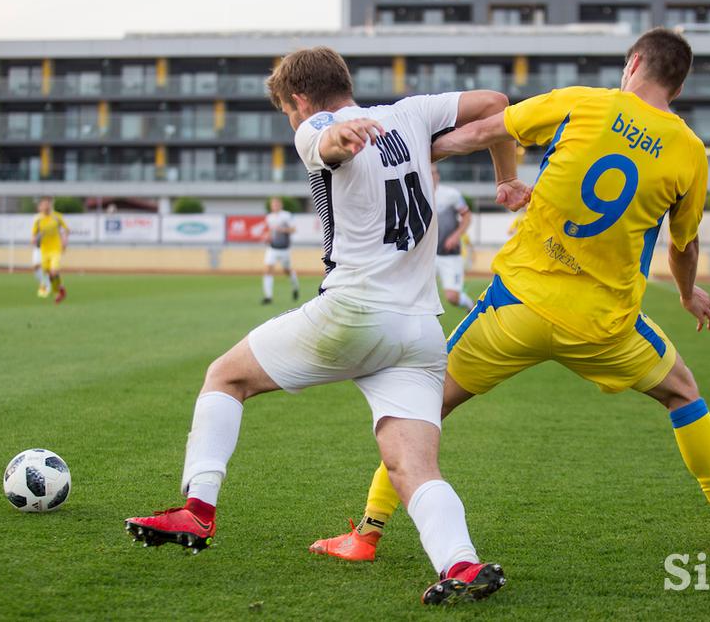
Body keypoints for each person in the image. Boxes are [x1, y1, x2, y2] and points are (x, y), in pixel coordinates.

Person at [309, 28, 710, 564]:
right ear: (675, 88)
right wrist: (686, 293)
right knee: (683, 393)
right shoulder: (690, 152)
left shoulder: (582, 102)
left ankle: (367, 535)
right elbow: (685, 244)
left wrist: (407, 159)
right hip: (603, 325)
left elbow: (482, 131)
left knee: (422, 408)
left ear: (633, 63)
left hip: (514, 308)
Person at [124, 46, 516, 605]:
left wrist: (337, 136)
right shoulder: (411, 112)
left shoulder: (318, 126)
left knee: (225, 378)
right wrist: (502, 177)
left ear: (300, 100)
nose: (295, 120)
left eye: (289, 110)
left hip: (354, 314)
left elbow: (324, 143)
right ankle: (462, 563)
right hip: (420, 332)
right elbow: (498, 105)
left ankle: (198, 509)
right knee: (412, 467)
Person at [432, 164, 474, 311]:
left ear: (438, 175)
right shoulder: (416, 194)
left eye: (434, 173)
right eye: (429, 173)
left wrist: (456, 236)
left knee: (452, 297)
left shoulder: (451, 195)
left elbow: (467, 216)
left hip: (449, 255)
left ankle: (470, 305)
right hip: (427, 256)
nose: (432, 176)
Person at [261, 196, 300, 304]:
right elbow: (270, 231)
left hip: (284, 249)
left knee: (287, 271)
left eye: (276, 204)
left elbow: (293, 229)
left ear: (280, 205)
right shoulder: (269, 217)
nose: (275, 206)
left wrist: (282, 229)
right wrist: (266, 237)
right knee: (268, 269)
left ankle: (295, 287)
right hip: (272, 248)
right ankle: (268, 297)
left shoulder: (286, 216)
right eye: (273, 204)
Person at [32, 197, 69, 303]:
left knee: (54, 272)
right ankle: (60, 289)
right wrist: (35, 239)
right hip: (44, 251)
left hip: (56, 249)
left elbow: (66, 229)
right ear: (40, 207)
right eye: (43, 204)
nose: (45, 206)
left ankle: (57, 291)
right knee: (49, 273)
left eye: (47, 204)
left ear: (50, 205)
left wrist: (64, 241)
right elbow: (33, 236)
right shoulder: (38, 220)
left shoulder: (57, 217)